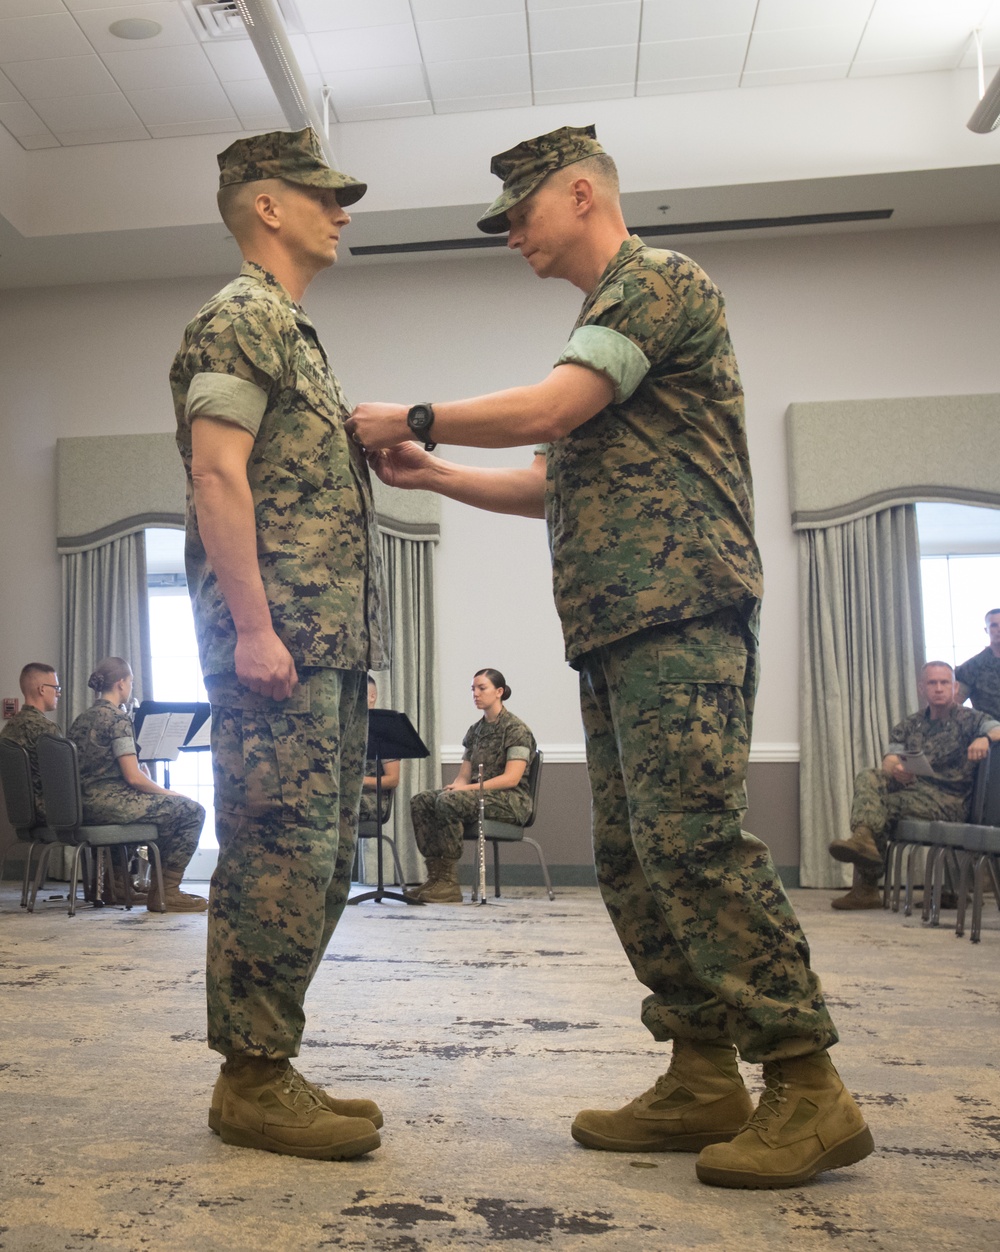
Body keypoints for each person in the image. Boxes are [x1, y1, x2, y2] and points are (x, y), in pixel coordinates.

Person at [347, 123, 873, 1190]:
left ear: (581, 193)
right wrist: (438, 477)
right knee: (635, 856)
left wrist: (411, 416)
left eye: (521, 214)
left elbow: (548, 411)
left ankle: (808, 1083)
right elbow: (554, 476)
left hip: (682, 611)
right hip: (616, 627)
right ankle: (700, 1072)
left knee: (693, 843)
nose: (511, 237)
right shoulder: (596, 328)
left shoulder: (656, 283)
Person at [170, 127, 389, 1162]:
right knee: (272, 855)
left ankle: (269, 1063)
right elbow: (219, 476)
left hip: (320, 645)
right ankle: (250, 1079)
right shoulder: (239, 318)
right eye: (321, 196)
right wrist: (254, 628)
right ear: (268, 206)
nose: (338, 211)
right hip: (278, 644)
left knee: (315, 860)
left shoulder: (293, 331)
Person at [829, 660, 1000, 909]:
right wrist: (897, 769)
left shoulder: (972, 719)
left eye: (945, 683)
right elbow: (889, 759)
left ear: (954, 688)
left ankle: (866, 886)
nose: (939, 688)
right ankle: (863, 837)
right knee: (869, 777)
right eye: (933, 683)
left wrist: (985, 738)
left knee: (879, 808)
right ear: (922, 688)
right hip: (916, 792)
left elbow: (998, 730)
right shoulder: (911, 724)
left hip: (951, 801)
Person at [67, 657, 207, 912]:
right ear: (121, 684)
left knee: (150, 809)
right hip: (109, 803)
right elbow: (133, 778)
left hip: (82, 804)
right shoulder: (118, 719)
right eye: (130, 682)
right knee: (191, 811)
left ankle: (116, 886)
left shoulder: (81, 720)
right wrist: (169, 792)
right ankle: (167, 892)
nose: (131, 686)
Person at [407, 668, 535, 904]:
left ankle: (449, 884)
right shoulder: (475, 731)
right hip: (479, 797)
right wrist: (456, 786)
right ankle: (436, 877)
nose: (475, 694)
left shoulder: (516, 730)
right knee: (422, 800)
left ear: (499, 692)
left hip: (511, 800)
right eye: (473, 689)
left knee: (448, 802)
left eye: (481, 688)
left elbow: (511, 779)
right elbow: (464, 776)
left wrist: (464, 791)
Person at [0, 662, 61, 823]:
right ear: (42, 689)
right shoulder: (47, 730)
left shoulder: (7, 730)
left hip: (20, 813)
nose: (58, 694)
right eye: (56, 688)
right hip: (50, 811)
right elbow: (63, 779)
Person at [359, 675, 399, 825]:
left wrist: (360, 782)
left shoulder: (385, 730)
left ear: (372, 696)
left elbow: (393, 779)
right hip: (347, 793)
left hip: (373, 798)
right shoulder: (345, 729)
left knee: (341, 804)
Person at [955, 608, 1000, 721]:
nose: (999, 629)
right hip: (990, 732)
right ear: (987, 630)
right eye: (994, 625)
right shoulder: (973, 667)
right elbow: (952, 706)